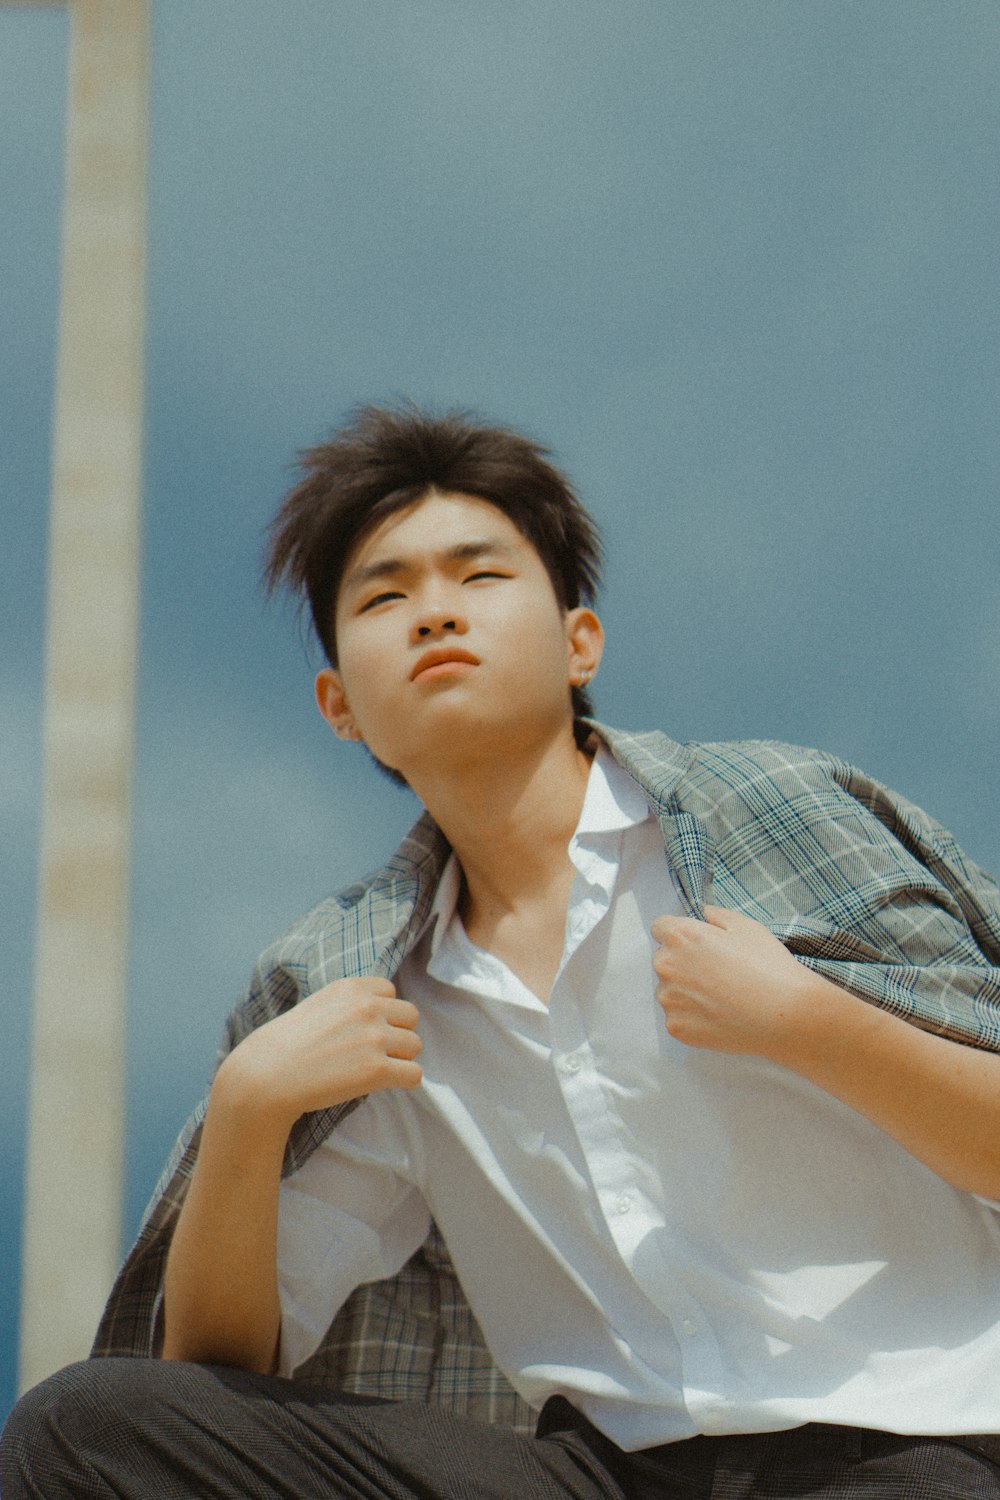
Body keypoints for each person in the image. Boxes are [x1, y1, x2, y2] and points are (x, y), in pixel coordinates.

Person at [5, 405, 1000, 1500]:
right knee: (87, 1428)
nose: (433, 614)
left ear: (580, 643)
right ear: (341, 706)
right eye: (384, 596)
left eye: (478, 577)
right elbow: (220, 1376)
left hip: (920, 1452)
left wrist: (809, 1022)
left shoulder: (768, 818)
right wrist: (247, 1113)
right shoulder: (359, 988)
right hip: (609, 1477)